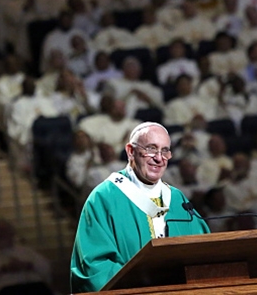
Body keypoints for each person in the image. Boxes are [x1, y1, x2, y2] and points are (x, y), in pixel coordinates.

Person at [70, 122, 210, 293]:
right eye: (151, 148)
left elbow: (205, 250)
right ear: (130, 151)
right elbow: (95, 266)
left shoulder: (175, 198)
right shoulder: (104, 198)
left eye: (165, 150)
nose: (159, 158)